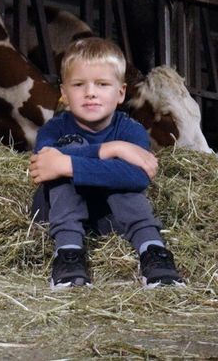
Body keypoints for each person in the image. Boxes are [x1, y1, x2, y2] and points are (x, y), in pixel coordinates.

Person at [29, 37, 184, 289]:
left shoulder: (131, 131)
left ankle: (152, 251)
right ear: (64, 93)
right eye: (78, 84)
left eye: (102, 84)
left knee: (112, 173)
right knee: (72, 148)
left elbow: (138, 176)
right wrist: (112, 150)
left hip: (110, 221)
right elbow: (44, 167)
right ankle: (68, 255)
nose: (90, 92)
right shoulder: (52, 129)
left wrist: (69, 163)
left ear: (120, 92)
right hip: (56, 216)